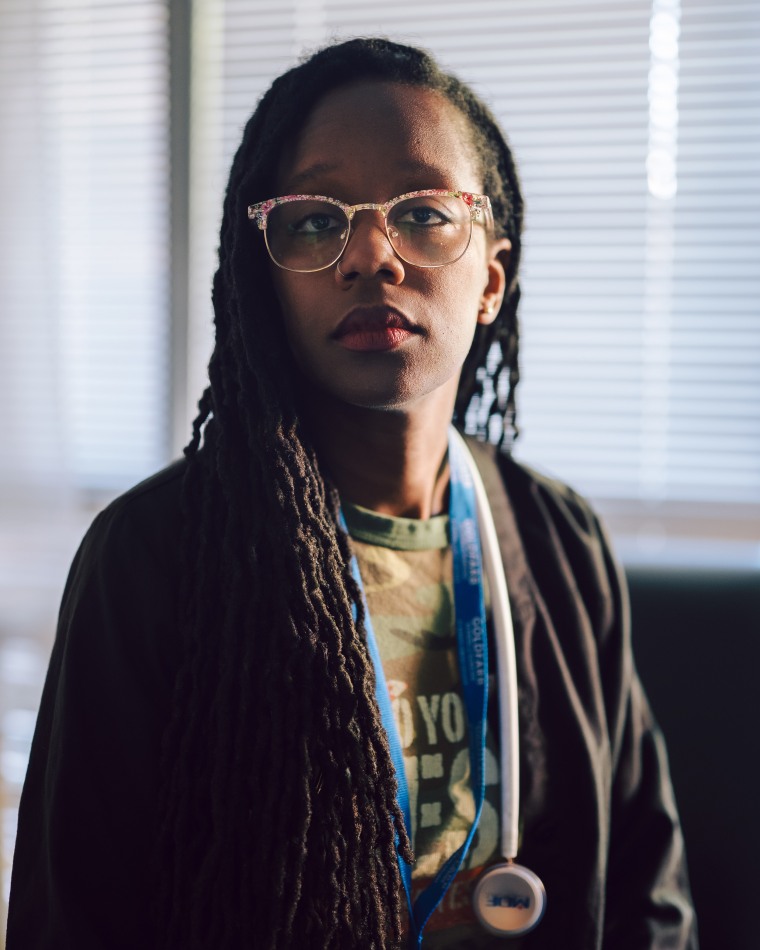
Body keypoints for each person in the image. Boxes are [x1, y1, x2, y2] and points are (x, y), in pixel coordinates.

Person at [6, 37, 697, 950]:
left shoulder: (557, 537)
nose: (370, 254)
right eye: (315, 221)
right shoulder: (154, 554)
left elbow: (654, 893)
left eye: (421, 212)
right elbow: (75, 915)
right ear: (267, 280)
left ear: (490, 278)